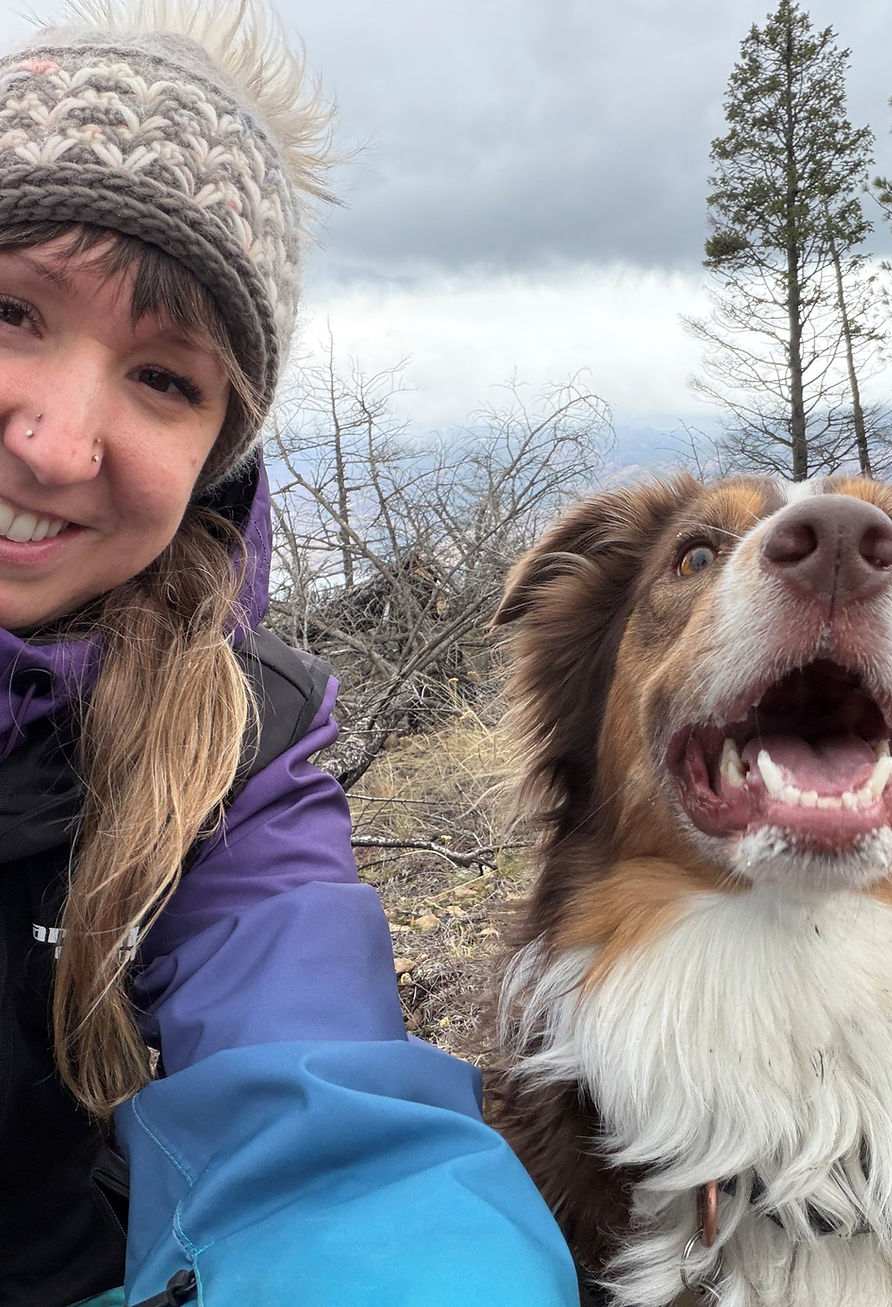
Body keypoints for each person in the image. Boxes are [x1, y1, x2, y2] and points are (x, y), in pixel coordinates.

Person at [0, 3, 579, 1305]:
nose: (55, 442)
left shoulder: (231, 753)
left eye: (165, 379)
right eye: (13, 307)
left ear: (219, 461)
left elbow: (336, 1146)